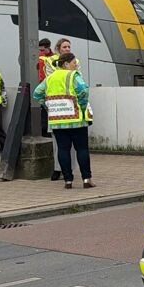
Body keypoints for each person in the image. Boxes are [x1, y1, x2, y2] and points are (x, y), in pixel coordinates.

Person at [34, 52, 94, 189]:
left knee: (63, 150)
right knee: (82, 149)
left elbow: (37, 93)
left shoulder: (50, 78)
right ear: (66, 64)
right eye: (74, 63)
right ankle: (86, 179)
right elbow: (84, 91)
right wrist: (82, 106)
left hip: (57, 120)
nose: (76, 65)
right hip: (76, 119)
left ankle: (68, 180)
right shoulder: (73, 75)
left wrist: (48, 106)